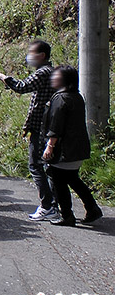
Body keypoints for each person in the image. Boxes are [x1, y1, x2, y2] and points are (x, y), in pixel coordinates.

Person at [0, 40, 57, 221]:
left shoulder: (43, 72)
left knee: (36, 165)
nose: (28, 56)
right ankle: (54, 205)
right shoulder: (49, 72)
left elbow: (21, 87)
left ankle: (47, 205)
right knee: (46, 166)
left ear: (42, 55)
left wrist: (1, 76)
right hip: (44, 126)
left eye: (31, 52)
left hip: (41, 128)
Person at [41, 66, 103, 227]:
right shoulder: (76, 96)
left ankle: (67, 215)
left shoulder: (60, 98)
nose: (53, 78)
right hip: (77, 147)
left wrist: (50, 146)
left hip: (64, 149)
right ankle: (92, 208)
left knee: (59, 181)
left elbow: (56, 124)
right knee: (73, 179)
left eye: (57, 76)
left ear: (65, 80)